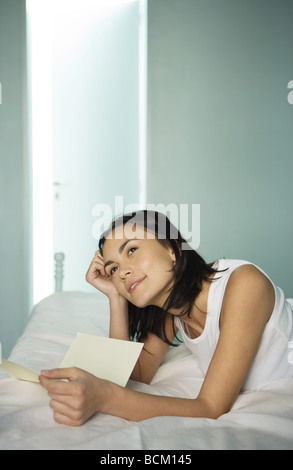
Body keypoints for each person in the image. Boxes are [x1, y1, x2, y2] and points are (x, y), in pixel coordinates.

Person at [39, 210, 293, 426]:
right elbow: (136, 376)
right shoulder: (171, 310)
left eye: (132, 250)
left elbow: (211, 407)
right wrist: (116, 298)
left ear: (172, 248)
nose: (123, 272)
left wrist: (105, 397)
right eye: (113, 269)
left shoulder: (245, 284)